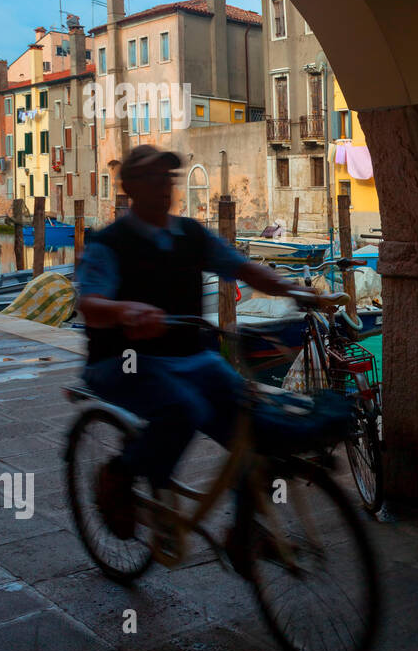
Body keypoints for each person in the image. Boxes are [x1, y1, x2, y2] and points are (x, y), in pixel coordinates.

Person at [77, 145, 310, 538]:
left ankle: (244, 527)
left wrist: (296, 290)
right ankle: (118, 476)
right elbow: (90, 303)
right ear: (130, 187)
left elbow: (242, 267)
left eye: (168, 178)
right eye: (152, 178)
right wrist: (126, 312)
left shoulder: (190, 234)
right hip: (122, 360)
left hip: (189, 355)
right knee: (183, 409)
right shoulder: (109, 244)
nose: (163, 186)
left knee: (248, 419)